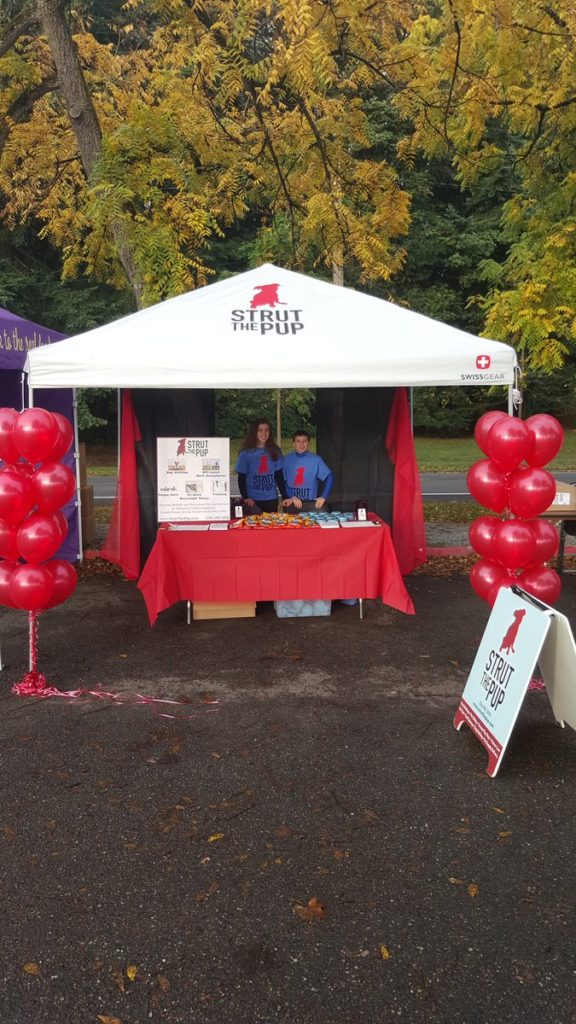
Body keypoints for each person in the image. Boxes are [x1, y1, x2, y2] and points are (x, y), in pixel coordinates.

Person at [235, 419, 287, 513]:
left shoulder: (276, 451)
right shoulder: (245, 453)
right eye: (260, 430)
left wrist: (285, 497)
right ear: (254, 432)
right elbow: (241, 478)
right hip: (252, 500)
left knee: (270, 526)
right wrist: (246, 497)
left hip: (271, 498)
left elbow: (279, 477)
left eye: (266, 430)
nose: (264, 433)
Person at [282, 430, 333, 512]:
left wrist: (323, 496)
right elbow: (282, 481)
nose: (301, 444)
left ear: (308, 442)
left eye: (304, 441)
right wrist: (292, 497)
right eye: (298, 441)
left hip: (310, 505)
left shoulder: (316, 460)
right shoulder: (286, 460)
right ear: (293, 443)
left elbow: (329, 476)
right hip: (292, 503)